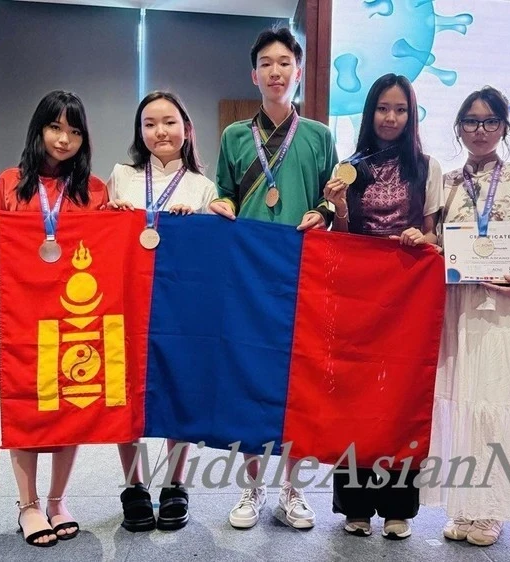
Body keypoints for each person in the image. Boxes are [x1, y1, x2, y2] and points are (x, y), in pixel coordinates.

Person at [0, 90, 109, 547]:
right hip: (24, 310)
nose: (64, 139)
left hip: (76, 313)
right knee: (25, 403)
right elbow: (2, 245)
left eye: (74, 131)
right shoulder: (10, 182)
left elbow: (102, 251)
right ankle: (28, 504)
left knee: (72, 402)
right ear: (38, 128)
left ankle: (58, 500)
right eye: (55, 127)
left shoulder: (95, 189)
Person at [208, 25, 338, 530]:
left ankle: (293, 490)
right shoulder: (234, 136)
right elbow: (223, 191)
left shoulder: (320, 136)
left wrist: (324, 212)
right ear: (254, 74)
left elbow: (330, 201)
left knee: (299, 383)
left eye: (285, 63)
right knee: (250, 379)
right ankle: (252, 487)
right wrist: (222, 203)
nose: (276, 71)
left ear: (298, 72)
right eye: (267, 63)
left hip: (302, 274)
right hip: (247, 276)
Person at [421, 86, 510, 546]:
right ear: (459, 127)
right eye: (470, 121)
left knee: (494, 403)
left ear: (503, 127)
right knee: (460, 401)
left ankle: (491, 510)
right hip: (455, 307)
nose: (479, 130)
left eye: (489, 121)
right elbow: (433, 243)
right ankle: (464, 506)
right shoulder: (445, 182)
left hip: (501, 309)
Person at [323, 73, 443, 540]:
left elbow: (435, 233)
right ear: (369, 112)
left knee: (400, 398)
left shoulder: (427, 167)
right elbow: (343, 237)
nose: (391, 118)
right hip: (357, 293)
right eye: (383, 108)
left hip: (407, 296)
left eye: (400, 110)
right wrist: (339, 206)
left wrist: (421, 236)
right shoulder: (348, 166)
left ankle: (398, 507)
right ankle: (354, 505)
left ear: (411, 116)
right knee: (352, 395)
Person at [104, 90, 217, 531]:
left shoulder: (203, 186)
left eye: (169, 122)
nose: (160, 132)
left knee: (178, 385)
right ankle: (134, 484)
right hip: (127, 298)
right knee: (126, 384)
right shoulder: (121, 176)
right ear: (140, 131)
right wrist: (113, 213)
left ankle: (174, 483)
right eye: (149, 124)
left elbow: (212, 252)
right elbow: (101, 237)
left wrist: (196, 223)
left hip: (181, 301)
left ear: (186, 128)